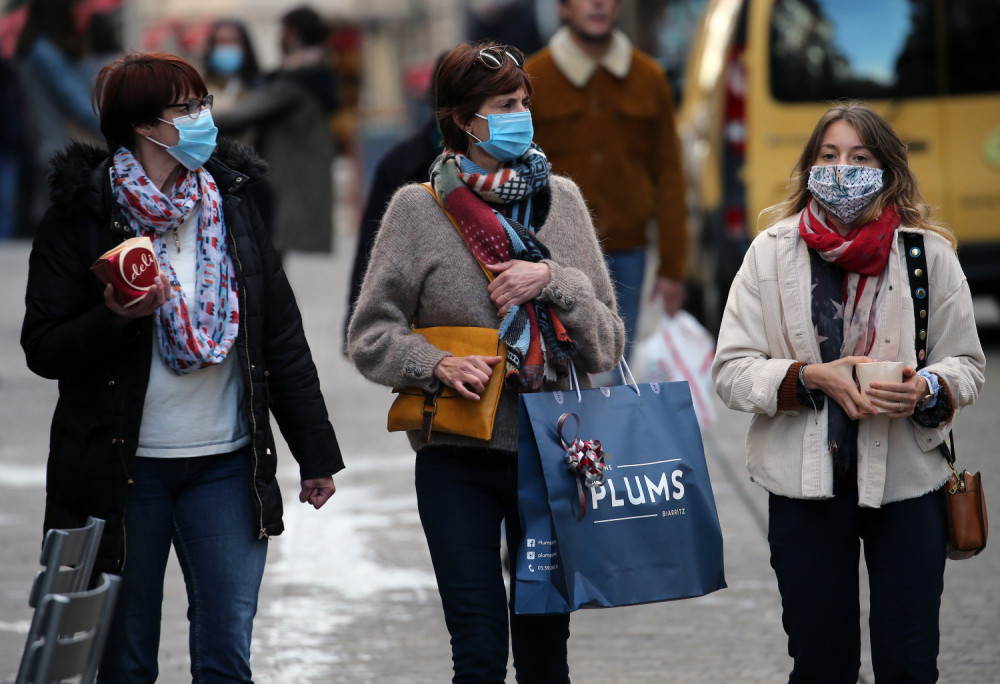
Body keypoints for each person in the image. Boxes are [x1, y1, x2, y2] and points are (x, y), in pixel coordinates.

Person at [20, 51, 344, 682]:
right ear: (144, 126)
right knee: (128, 659)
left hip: (225, 464)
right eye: (187, 109)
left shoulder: (234, 201)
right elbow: (44, 346)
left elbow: (278, 334)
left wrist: (316, 453)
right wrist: (113, 316)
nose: (204, 119)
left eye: (204, 105)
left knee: (225, 656)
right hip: (124, 472)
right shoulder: (82, 214)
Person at [347, 41, 624, 683]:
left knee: (543, 652)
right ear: (463, 120)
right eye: (504, 105)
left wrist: (552, 279)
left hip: (553, 458)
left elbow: (608, 343)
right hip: (455, 457)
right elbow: (370, 333)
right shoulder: (416, 210)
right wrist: (434, 363)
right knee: (476, 650)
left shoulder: (565, 201)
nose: (521, 114)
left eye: (524, 101)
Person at [711, 103, 985, 682]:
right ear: (809, 166)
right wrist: (810, 377)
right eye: (829, 156)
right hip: (804, 488)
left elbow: (966, 364)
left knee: (909, 663)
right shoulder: (770, 252)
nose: (842, 170)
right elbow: (731, 370)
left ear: (887, 170)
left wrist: (928, 386)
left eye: (860, 158)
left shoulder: (926, 255)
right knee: (820, 663)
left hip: (909, 483)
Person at [524, 0, 688, 360]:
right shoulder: (533, 78)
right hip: (553, 253)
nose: (597, 3)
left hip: (628, 251)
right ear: (564, 9)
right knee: (558, 366)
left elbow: (671, 175)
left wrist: (673, 266)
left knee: (617, 363)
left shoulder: (649, 77)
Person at [215, 5, 339, 255]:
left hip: (278, 183)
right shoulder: (313, 74)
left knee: (266, 259)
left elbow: (240, 116)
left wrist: (188, 118)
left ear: (292, 33)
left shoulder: (296, 81)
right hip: (288, 181)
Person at [343, 52, 445, 351]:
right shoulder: (400, 164)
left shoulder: (517, 163)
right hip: (419, 323)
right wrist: (357, 321)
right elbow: (371, 245)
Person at [14, 0, 103, 229]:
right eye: (74, 8)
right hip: (60, 148)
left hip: (51, 145)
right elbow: (77, 102)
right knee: (65, 231)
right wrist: (116, 130)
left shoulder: (36, 48)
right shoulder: (45, 52)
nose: (79, 14)